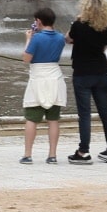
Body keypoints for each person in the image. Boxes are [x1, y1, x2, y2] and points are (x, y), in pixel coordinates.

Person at [66, 0, 107, 164]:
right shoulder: (105, 28)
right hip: (101, 72)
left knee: (85, 114)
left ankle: (83, 151)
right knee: (105, 112)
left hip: (82, 72)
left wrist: (76, 21)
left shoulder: (78, 25)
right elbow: (103, 49)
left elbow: (68, 39)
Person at [20, 8, 67, 164]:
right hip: (55, 76)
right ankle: (52, 155)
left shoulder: (37, 38)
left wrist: (28, 39)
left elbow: (26, 58)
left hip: (38, 77)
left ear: (39, 21)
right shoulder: (60, 38)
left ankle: (28, 154)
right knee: (53, 119)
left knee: (31, 118)